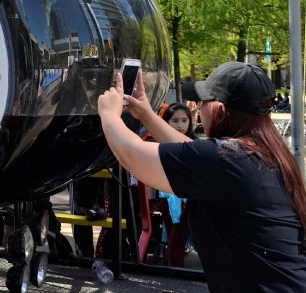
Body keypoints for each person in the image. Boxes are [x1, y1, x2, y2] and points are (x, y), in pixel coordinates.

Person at [98, 62, 306, 291]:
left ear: (220, 110)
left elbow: (131, 155)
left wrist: (109, 114)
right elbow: (189, 152)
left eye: (203, 101)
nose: (198, 106)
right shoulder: (264, 154)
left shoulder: (225, 160)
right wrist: (146, 114)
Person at [157, 102, 195, 267]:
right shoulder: (160, 144)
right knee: (172, 242)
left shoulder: (194, 145)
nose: (180, 125)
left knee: (175, 243)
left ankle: (177, 279)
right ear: (166, 122)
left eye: (184, 120)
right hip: (166, 196)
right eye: (175, 120)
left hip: (187, 201)